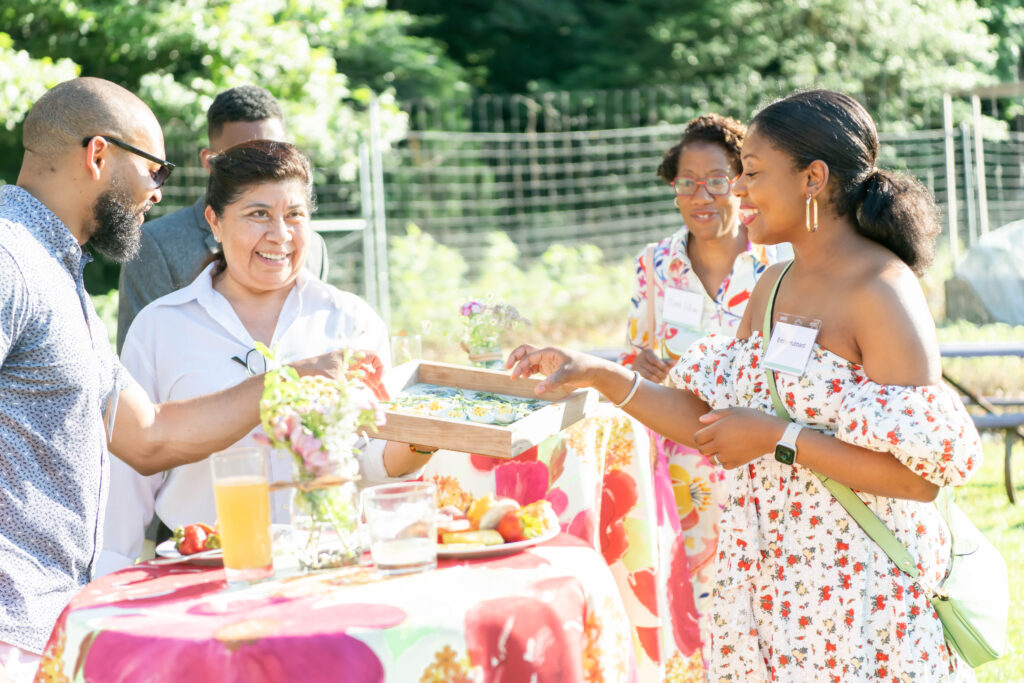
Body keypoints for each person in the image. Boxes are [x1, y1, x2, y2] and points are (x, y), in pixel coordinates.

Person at [509, 90, 981, 681]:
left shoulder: (882, 291)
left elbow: (918, 479)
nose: (736, 191)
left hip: (861, 598)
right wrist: (598, 372)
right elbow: (706, 417)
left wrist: (780, 439)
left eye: (751, 174)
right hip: (773, 589)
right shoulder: (774, 284)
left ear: (813, 178)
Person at [0, 78, 380, 681]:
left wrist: (294, 379)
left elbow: (150, 437)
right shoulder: (10, 256)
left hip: (43, 620)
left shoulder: (53, 267)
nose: (157, 192)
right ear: (98, 155)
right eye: (155, 169)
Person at [99, 140, 435, 574]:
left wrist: (426, 433)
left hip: (329, 564)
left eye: (294, 215)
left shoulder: (351, 321)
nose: (280, 234)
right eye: (258, 214)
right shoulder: (159, 327)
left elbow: (370, 462)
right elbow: (127, 482)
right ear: (214, 222)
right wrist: (108, 584)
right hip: (203, 574)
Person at [619, 114, 778, 669]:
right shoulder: (655, 264)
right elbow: (635, 353)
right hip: (681, 462)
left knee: (761, 594)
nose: (700, 195)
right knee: (692, 593)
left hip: (758, 457)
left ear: (740, 180)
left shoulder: (774, 261)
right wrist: (639, 363)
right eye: (686, 182)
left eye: (716, 179)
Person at [115, 85, 329, 351]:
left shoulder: (313, 248)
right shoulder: (156, 246)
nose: (260, 166)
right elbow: (138, 372)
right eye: (242, 157)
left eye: (272, 151)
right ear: (209, 161)